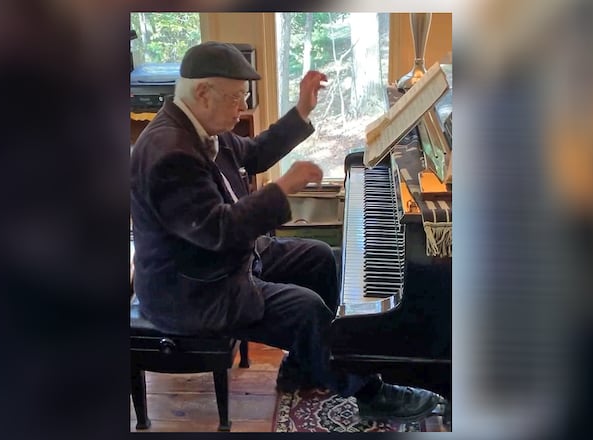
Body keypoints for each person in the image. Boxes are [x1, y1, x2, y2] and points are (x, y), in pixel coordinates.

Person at [130, 41, 445, 422]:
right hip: (192, 290)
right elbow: (219, 231)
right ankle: (370, 392)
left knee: (319, 258)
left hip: (218, 260)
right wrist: (281, 189)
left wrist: (301, 111)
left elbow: (254, 153)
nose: (242, 108)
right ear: (202, 93)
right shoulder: (169, 154)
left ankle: (308, 365)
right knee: (306, 310)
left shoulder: (198, 123)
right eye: (236, 99)